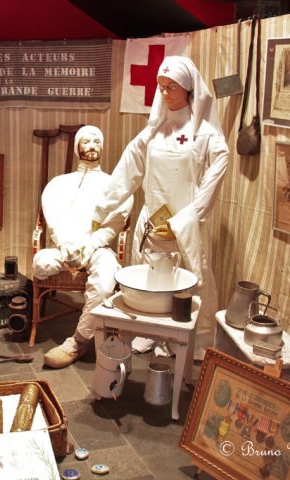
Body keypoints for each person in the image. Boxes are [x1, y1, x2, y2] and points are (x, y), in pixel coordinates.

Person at [91, 56, 229, 354]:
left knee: (190, 284)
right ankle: (150, 331)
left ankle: (194, 343)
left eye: (172, 87)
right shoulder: (152, 133)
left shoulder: (205, 136)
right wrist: (100, 213)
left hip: (184, 225)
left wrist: (185, 221)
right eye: (161, 87)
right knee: (149, 280)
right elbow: (126, 173)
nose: (165, 94)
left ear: (189, 90)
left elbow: (214, 178)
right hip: (152, 222)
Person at [34, 126, 133, 368]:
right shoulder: (59, 184)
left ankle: (78, 340)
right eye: (86, 142)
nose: (91, 146)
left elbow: (114, 224)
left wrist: (90, 247)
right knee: (40, 262)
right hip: (65, 249)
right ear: (78, 147)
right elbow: (53, 220)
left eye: (96, 142)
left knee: (107, 275)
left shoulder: (114, 185)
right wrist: (66, 247)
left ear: (102, 147)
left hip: (97, 250)